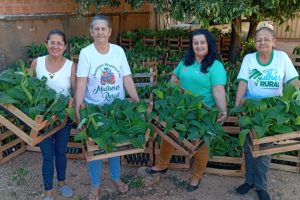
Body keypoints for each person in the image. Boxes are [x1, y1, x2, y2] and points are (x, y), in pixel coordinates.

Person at [145, 29, 227, 192]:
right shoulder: (186, 61)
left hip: (202, 112)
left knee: (200, 145)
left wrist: (222, 110)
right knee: (168, 135)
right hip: (181, 108)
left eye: (202, 42)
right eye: (195, 43)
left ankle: (196, 176)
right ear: (192, 45)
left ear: (209, 44)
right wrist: (175, 92)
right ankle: (162, 165)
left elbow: (218, 90)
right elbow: (174, 78)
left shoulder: (215, 66)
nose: (199, 45)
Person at [75, 15, 139, 200]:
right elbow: (81, 83)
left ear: (110, 31)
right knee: (95, 149)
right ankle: (95, 186)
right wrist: (79, 108)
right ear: (91, 32)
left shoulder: (118, 51)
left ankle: (116, 178)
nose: (100, 32)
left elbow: (126, 77)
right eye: (96, 29)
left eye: (104, 29)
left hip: (116, 108)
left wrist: (135, 99)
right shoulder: (86, 53)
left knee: (115, 146)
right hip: (95, 110)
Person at [234, 26, 299, 200]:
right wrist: (237, 107)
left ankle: (261, 185)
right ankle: (249, 181)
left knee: (264, 151)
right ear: (254, 43)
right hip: (251, 110)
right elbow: (242, 82)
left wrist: (295, 101)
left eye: (266, 39)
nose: (262, 43)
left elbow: (293, 81)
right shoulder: (249, 59)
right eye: (258, 40)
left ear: (274, 42)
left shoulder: (281, 58)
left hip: (272, 111)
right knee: (248, 147)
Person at [30, 29, 77, 200]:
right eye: (52, 42)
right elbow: (29, 86)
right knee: (48, 156)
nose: (55, 46)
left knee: (61, 153)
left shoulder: (71, 66)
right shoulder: (37, 63)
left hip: (62, 118)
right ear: (46, 44)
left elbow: (74, 91)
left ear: (65, 47)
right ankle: (48, 191)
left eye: (59, 43)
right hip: (42, 119)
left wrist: (73, 101)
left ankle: (62, 183)